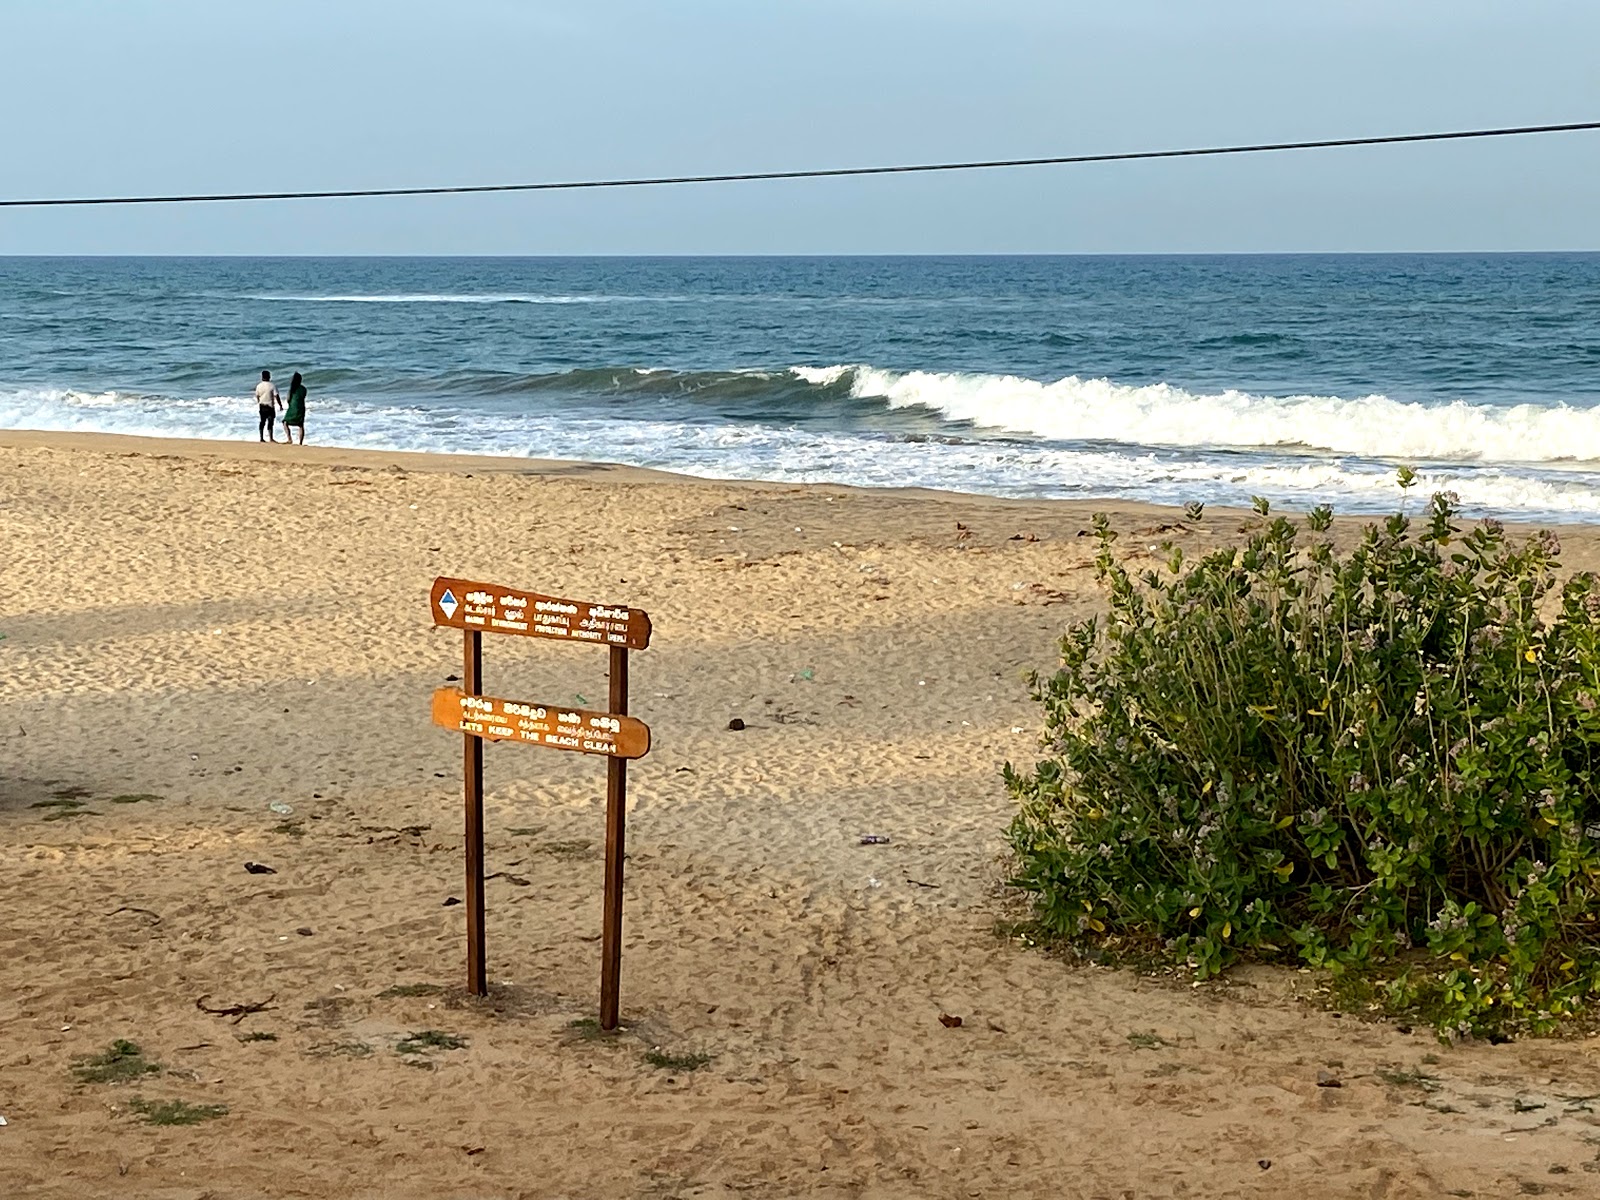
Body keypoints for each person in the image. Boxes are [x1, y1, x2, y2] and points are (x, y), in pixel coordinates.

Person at [255, 370, 281, 443]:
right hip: (270, 406)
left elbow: (257, 396)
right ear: (269, 376)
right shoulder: (272, 385)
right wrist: (280, 405)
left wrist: (259, 402)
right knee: (270, 422)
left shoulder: (259, 386)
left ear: (262, 377)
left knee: (262, 422)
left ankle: (261, 437)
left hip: (262, 406)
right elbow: (276, 396)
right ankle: (271, 438)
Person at [284, 372, 308, 445]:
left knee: (285, 422)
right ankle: (300, 442)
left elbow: (288, 399)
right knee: (301, 425)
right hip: (301, 407)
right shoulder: (303, 389)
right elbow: (303, 397)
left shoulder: (292, 389)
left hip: (293, 407)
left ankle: (289, 439)